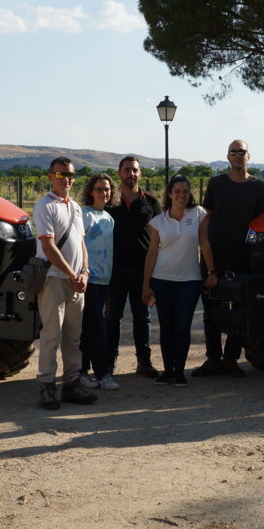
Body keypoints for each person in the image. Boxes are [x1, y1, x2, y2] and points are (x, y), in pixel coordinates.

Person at [195, 139, 264, 377]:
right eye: (233, 152)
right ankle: (213, 360)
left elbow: (259, 224)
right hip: (214, 256)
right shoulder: (216, 184)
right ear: (228, 157)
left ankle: (230, 360)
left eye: (242, 152)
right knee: (211, 310)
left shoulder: (259, 187)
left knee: (240, 310)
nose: (238, 156)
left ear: (249, 156)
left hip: (243, 258)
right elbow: (208, 219)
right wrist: (209, 263)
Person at [33, 157, 98, 410]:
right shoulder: (44, 206)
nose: (66, 179)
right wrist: (73, 273)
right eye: (61, 175)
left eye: (70, 175)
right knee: (52, 334)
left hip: (75, 280)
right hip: (54, 279)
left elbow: (81, 244)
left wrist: (85, 272)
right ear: (51, 177)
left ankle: (72, 383)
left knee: (73, 336)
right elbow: (48, 246)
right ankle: (47, 385)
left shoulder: (76, 209)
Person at [142, 175, 217, 387]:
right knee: (167, 327)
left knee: (182, 327)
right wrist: (146, 284)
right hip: (162, 279)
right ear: (169, 193)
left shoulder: (198, 214)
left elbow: (205, 243)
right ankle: (167, 371)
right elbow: (151, 254)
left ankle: (179, 371)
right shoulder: (158, 222)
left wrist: (211, 271)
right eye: (177, 191)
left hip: (190, 281)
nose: (181, 195)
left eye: (185, 191)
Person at [105, 156, 162, 379]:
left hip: (143, 270)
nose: (131, 174)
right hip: (114, 270)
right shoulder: (109, 202)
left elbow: (161, 237)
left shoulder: (151, 202)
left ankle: (144, 362)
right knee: (112, 316)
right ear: (119, 173)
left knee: (142, 316)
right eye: (127, 170)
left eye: (135, 170)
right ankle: (108, 363)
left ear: (141, 174)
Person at [77, 173, 119, 391]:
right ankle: (101, 374)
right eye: (99, 189)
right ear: (91, 191)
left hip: (105, 280)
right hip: (89, 279)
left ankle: (83, 372)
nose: (104, 193)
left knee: (91, 326)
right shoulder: (84, 215)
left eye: (107, 189)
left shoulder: (108, 218)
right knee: (96, 327)